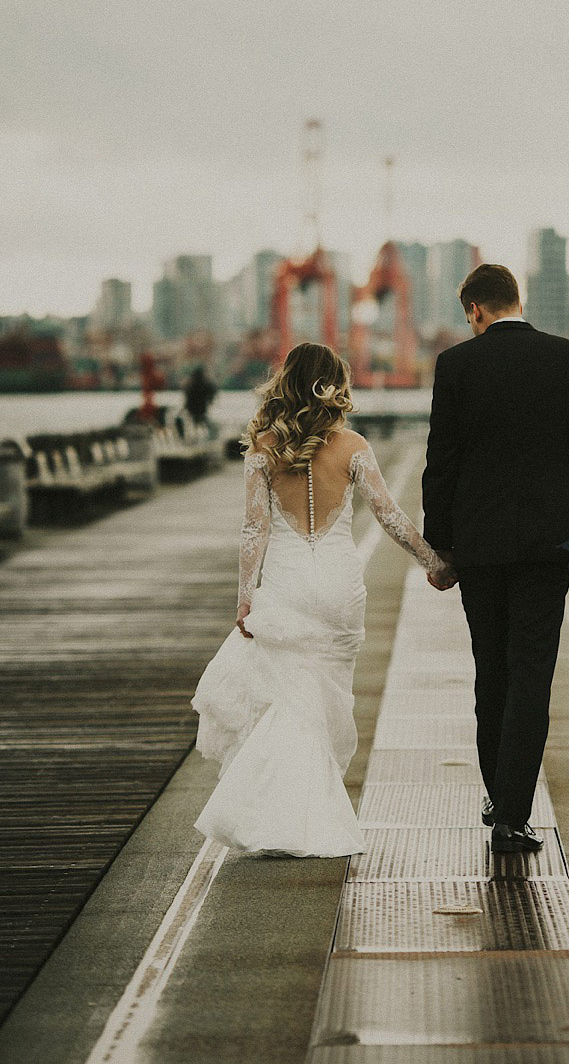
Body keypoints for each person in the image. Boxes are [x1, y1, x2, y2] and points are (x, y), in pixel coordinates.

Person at [190, 344, 452, 856]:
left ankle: (281, 816)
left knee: (291, 701)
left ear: (286, 382)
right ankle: (310, 812)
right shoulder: (353, 446)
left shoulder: (264, 448)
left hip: (287, 582)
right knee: (327, 700)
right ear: (336, 385)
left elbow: (254, 530)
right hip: (338, 584)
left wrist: (245, 598)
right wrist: (433, 562)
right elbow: (389, 515)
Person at [422, 264, 569, 854]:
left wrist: (440, 544)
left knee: (492, 668)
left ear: (475, 310)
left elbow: (441, 461)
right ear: (517, 301)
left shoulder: (456, 365)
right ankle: (512, 812)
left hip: (480, 545)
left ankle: (496, 792)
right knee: (532, 672)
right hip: (546, 545)